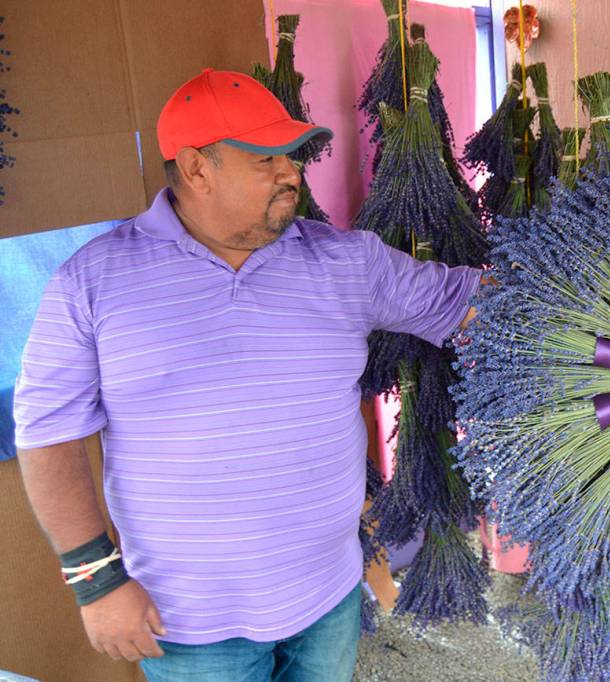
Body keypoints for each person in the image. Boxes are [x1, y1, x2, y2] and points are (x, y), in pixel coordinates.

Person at [14, 68, 483, 682]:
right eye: (265, 159)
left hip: (328, 595)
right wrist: (95, 580)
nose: (291, 173)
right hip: (189, 623)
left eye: (291, 155)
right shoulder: (92, 283)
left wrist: (594, 312)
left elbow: (467, 305)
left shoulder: (347, 261)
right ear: (196, 168)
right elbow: (49, 436)